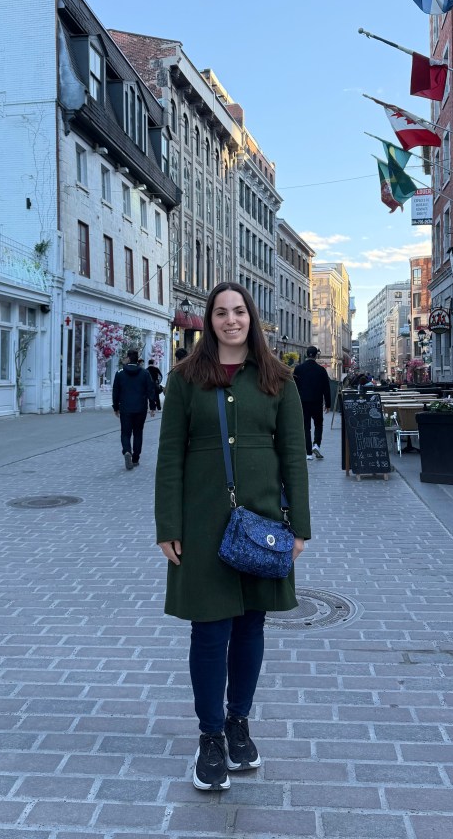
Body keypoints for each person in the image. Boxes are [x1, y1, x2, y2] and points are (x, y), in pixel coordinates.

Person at [155, 282, 310, 792]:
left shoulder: (277, 379)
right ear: (209, 320)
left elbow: (294, 456)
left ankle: (238, 723)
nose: (230, 320)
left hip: (261, 523)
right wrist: (167, 527)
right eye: (220, 312)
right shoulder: (185, 379)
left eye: (238, 311)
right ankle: (210, 736)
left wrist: (300, 527)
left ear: (251, 317)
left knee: (250, 627)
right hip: (201, 524)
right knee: (209, 631)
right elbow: (169, 457)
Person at [112, 349, 156, 469]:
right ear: (137, 359)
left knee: (125, 433)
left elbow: (115, 392)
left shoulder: (120, 373)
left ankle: (127, 451)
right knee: (138, 432)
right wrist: (152, 406)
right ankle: (136, 458)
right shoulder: (145, 373)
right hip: (140, 408)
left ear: (128, 358)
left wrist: (115, 407)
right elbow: (150, 390)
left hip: (125, 408)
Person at [293, 346, 332, 461]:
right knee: (318, 424)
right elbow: (326, 388)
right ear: (316, 355)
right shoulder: (321, 370)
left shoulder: (298, 369)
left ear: (306, 354)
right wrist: (328, 404)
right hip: (317, 402)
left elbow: (294, 387)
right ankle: (316, 445)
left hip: (303, 402)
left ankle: (308, 453)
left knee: (306, 427)